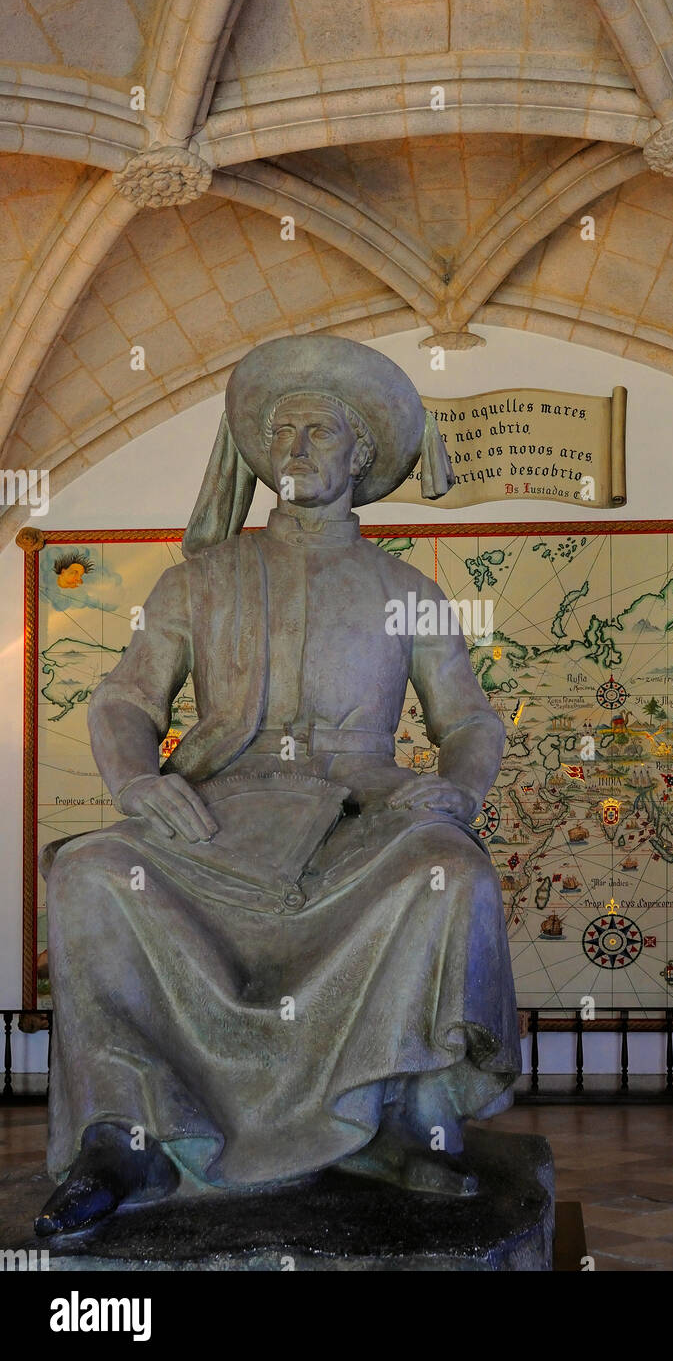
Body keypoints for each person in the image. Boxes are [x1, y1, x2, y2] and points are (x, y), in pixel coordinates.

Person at [36, 335, 520, 1237]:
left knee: (451, 875)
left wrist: (455, 789)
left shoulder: (405, 588)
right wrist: (138, 781)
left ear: (361, 455)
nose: (296, 448)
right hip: (224, 814)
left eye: (318, 431)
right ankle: (128, 1132)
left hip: (361, 815)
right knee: (92, 874)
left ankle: (406, 1111)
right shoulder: (201, 581)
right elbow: (126, 698)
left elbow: (468, 723)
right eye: (281, 432)